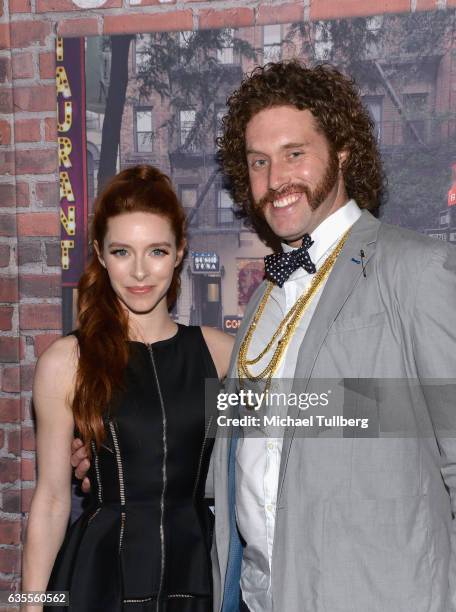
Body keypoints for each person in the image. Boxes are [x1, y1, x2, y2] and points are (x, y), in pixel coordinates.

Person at [205, 60, 456, 612]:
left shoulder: (416, 271)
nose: (275, 181)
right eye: (258, 162)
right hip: (259, 595)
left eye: (295, 154)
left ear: (342, 152)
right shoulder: (262, 303)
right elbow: (241, 448)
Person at [23, 164, 233, 611]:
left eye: (156, 251)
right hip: (97, 580)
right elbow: (53, 499)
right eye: (122, 251)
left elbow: (275, 455)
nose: (140, 272)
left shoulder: (221, 354)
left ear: (179, 253)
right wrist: (27, 604)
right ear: (100, 253)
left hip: (192, 577)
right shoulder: (66, 361)